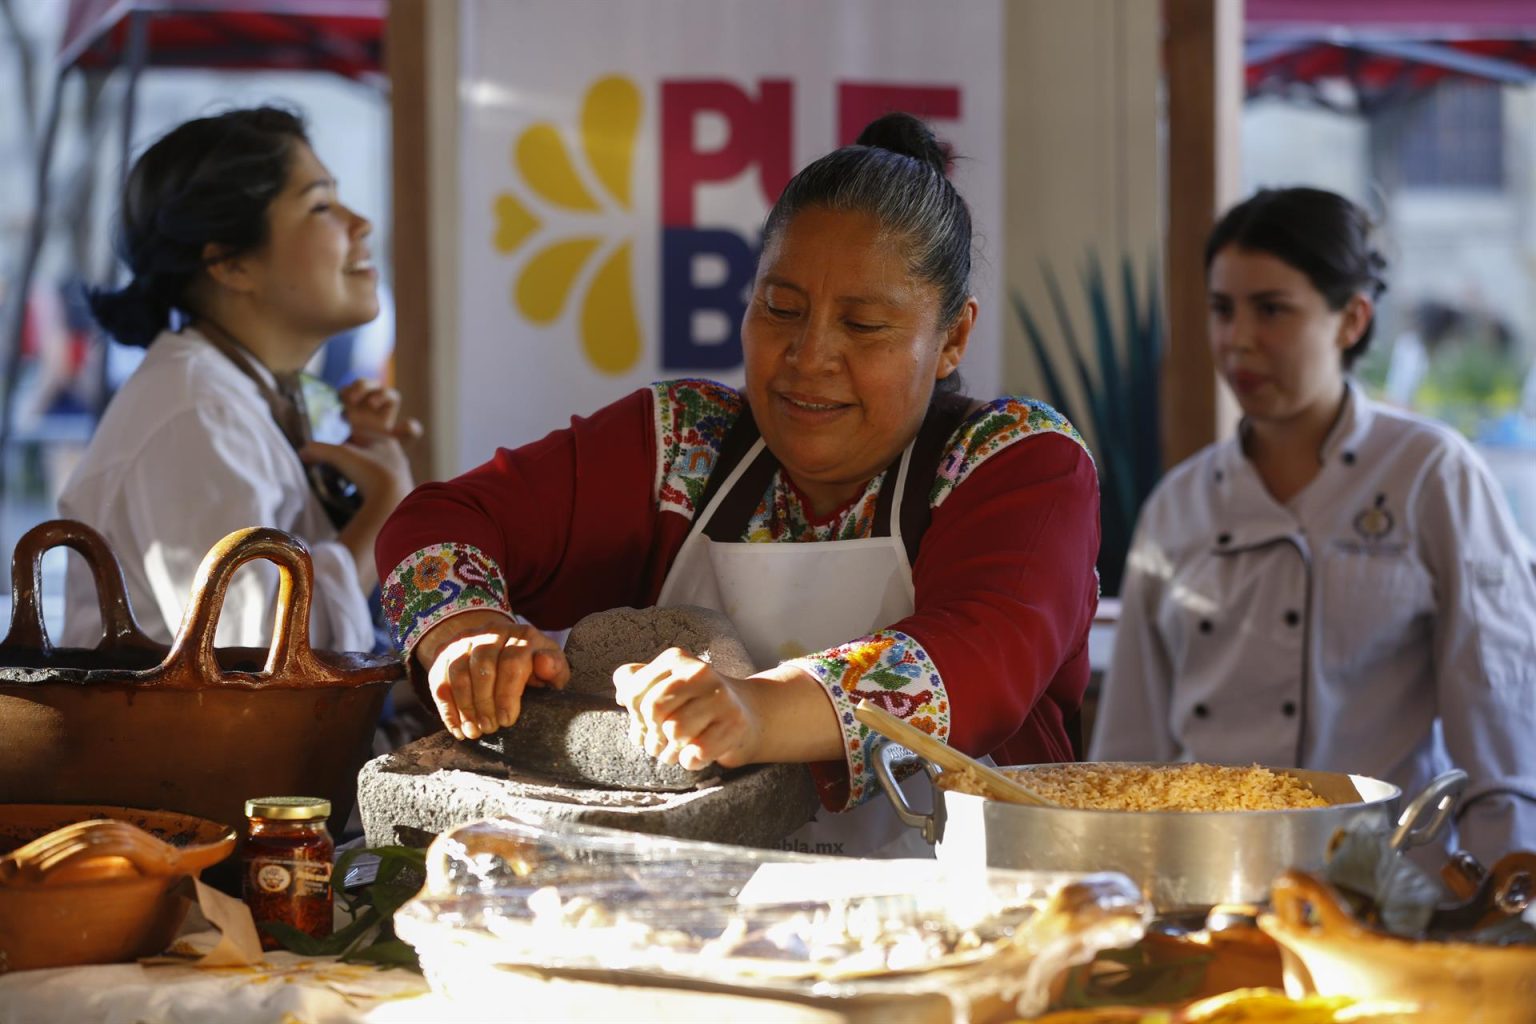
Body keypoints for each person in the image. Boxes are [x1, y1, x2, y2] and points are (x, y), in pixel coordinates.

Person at [376, 113, 1100, 857]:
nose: (809, 356)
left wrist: (756, 710)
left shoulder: (1016, 461)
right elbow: (440, 519)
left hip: (980, 914)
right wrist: (465, 634)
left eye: (865, 326)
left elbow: (983, 654)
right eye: (781, 309)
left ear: (951, 338)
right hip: (702, 913)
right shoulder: (683, 442)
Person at [1090, 187, 1536, 863]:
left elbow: (1499, 726)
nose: (1238, 340)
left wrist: (1509, 909)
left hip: (1388, 891)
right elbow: (1127, 758)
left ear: (1351, 320)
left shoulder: (1430, 474)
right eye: (1221, 309)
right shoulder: (1177, 505)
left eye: (1271, 310)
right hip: (1210, 887)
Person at [58, 106, 418, 652]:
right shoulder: (196, 413)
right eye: (320, 205)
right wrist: (385, 506)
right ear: (231, 265)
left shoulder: (230, 393)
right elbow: (250, 657)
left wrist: (367, 462)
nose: (361, 223)